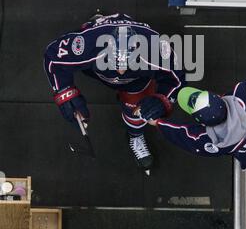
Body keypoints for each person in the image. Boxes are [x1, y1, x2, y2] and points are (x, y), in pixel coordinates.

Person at [44, 13, 185, 172]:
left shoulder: (158, 49)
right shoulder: (87, 43)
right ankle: (97, 21)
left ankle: (135, 135)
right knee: (84, 34)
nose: (121, 70)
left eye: (127, 63)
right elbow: (53, 58)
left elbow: (177, 79)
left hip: (137, 81)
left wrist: (162, 99)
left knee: (140, 112)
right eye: (116, 63)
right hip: (96, 68)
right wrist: (66, 94)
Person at [147, 76, 246, 190]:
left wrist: (159, 122)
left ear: (202, 123)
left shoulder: (214, 141)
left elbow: (183, 137)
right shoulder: (245, 93)